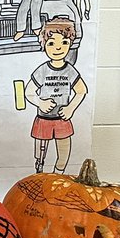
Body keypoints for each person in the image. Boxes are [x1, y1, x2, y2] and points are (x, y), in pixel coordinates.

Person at [25, 17, 86, 173]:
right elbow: (29, 91)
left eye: (64, 43)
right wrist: (40, 103)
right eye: (52, 43)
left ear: (70, 44)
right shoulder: (42, 70)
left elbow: (81, 90)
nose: (58, 48)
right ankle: (39, 172)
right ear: (44, 44)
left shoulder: (70, 71)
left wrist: (70, 108)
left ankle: (58, 175)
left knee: (64, 152)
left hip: (61, 119)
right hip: (44, 118)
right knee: (40, 152)